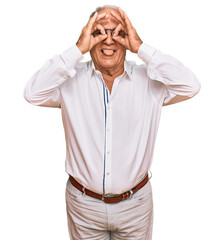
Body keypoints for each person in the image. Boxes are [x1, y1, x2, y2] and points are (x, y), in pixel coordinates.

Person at [23, 5, 201, 240]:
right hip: (84, 206)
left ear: (128, 37)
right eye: (99, 32)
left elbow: (191, 85)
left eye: (117, 32)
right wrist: (77, 49)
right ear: (88, 37)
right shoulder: (69, 79)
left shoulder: (149, 81)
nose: (109, 40)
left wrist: (141, 48)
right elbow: (32, 93)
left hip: (135, 205)